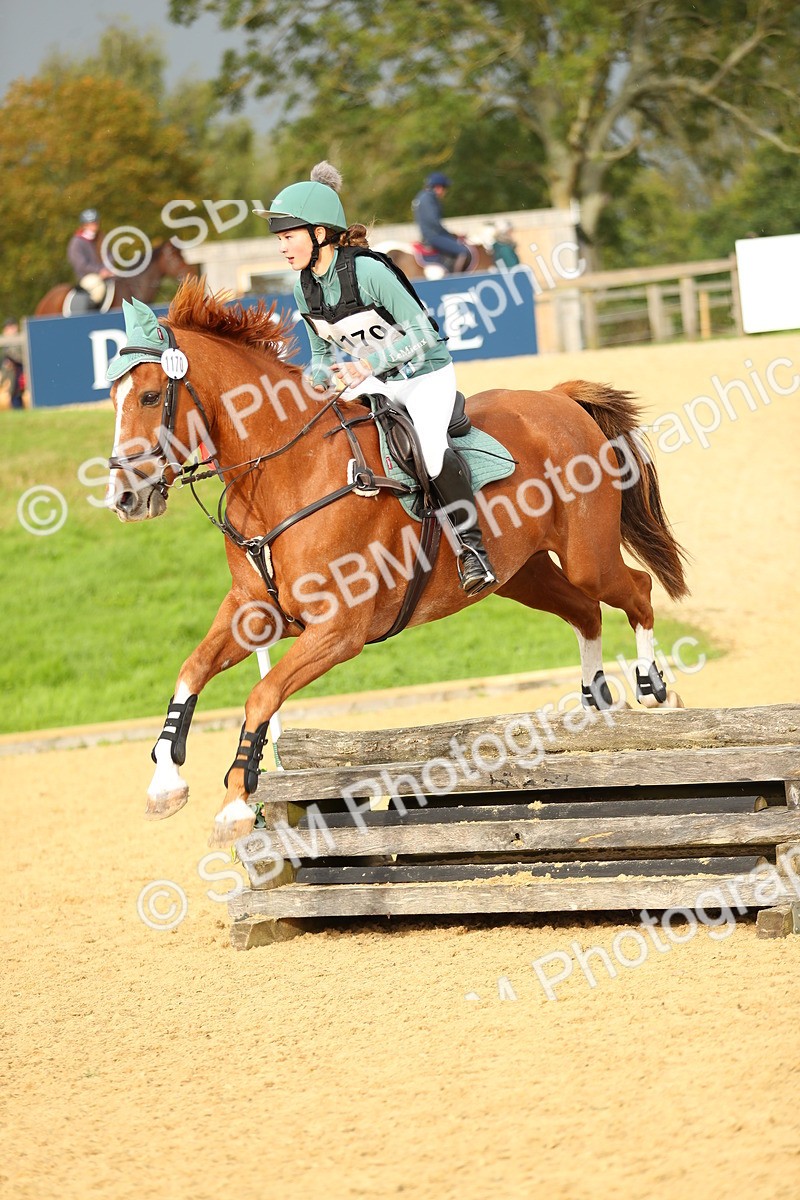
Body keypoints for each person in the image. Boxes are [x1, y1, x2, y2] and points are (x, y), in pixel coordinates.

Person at [253, 162, 496, 595]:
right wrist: (311, 384)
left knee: (432, 454)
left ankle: (472, 550)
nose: (282, 248)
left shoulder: (369, 272)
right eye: (279, 239)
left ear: (319, 234)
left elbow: (424, 333)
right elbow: (322, 356)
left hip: (425, 374)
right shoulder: (303, 288)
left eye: (289, 237)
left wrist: (368, 365)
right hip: (377, 381)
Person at [412, 172, 471, 274]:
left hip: (429, 235)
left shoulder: (421, 196)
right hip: (434, 236)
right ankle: (456, 279)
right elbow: (434, 222)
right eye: (445, 188)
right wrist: (450, 235)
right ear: (438, 187)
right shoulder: (429, 198)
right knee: (463, 251)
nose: (445, 192)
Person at [66, 209, 113, 308]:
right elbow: (81, 265)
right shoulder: (77, 242)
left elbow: (109, 256)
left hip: (106, 274)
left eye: (95, 223)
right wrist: (99, 271)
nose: (94, 226)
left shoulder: (101, 238)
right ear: (84, 225)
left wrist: (107, 269)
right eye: (90, 224)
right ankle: (92, 312)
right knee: (98, 289)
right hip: (87, 276)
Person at [1, 318, 25, 409]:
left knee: (17, 393)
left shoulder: (20, 340)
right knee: (14, 394)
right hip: (11, 374)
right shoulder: (5, 342)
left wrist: (11, 359)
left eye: (10, 327)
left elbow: (23, 357)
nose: (8, 330)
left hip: (20, 371)